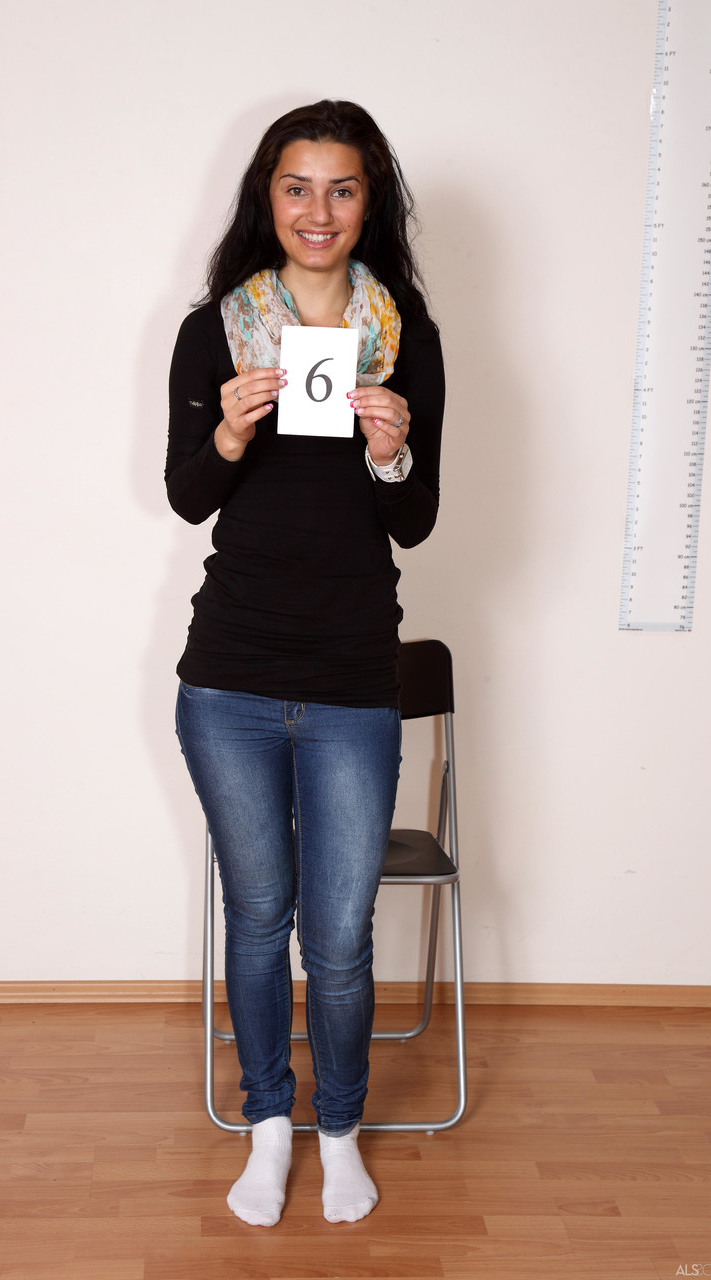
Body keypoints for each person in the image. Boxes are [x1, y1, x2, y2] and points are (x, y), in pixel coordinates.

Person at [166, 100, 445, 1227]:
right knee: (257, 915)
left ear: (369, 202)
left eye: (340, 188)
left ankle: (339, 1132)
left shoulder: (404, 332)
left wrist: (393, 453)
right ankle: (268, 1125)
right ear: (266, 197)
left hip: (349, 682)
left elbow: (416, 519)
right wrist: (229, 432)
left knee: (335, 938)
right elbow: (188, 495)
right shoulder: (216, 330)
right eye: (296, 186)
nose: (316, 210)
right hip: (228, 677)